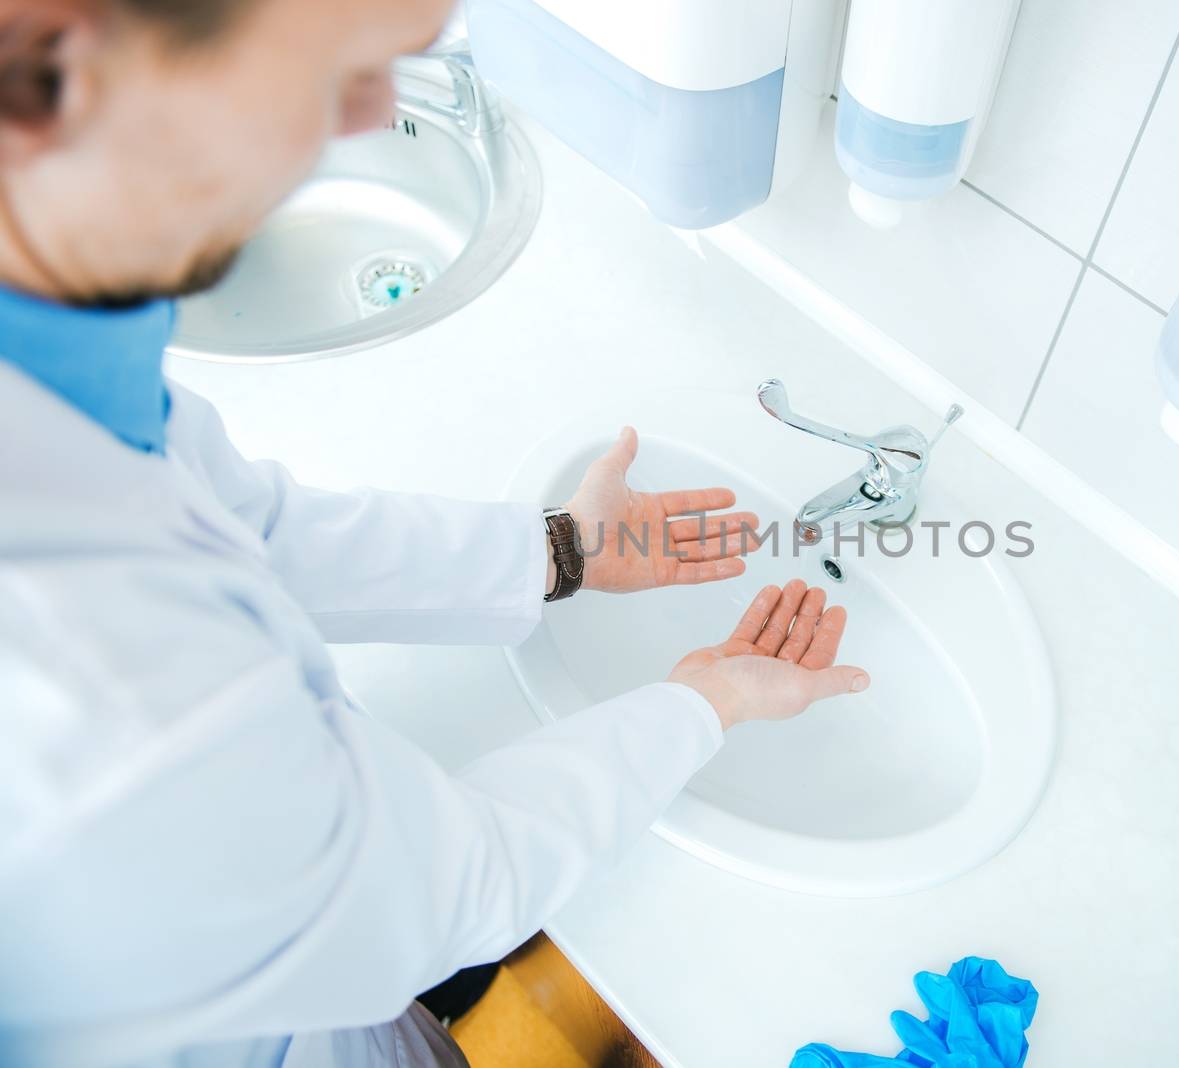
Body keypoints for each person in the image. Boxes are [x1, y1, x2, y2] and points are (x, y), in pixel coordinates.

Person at [0, 2, 870, 1066]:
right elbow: (438, 900)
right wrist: (710, 695)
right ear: (64, 55)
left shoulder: (57, 338)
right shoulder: (95, 692)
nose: (371, 114)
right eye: (336, 66)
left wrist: (562, 552)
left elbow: (252, 526)